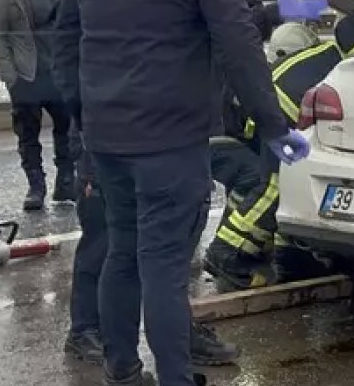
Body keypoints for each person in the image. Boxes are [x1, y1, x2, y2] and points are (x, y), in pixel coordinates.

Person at [54, 0, 307, 386]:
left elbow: (66, 46)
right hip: (169, 141)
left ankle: (121, 381)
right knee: (166, 270)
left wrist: (83, 124)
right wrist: (273, 126)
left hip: (107, 137)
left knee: (122, 254)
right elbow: (239, 47)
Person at [204, 17, 354, 290]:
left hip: (270, 102)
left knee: (285, 184)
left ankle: (289, 255)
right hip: (282, 110)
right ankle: (227, 253)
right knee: (278, 185)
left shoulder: (337, 48)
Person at [64, 135, 239, 369]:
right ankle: (84, 329)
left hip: (161, 152)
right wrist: (88, 167)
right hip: (105, 150)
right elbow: (78, 101)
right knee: (104, 247)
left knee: (166, 263)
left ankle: (179, 336)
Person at [0, 0, 77, 210]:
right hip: (26, 75)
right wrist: (9, 75)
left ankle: (65, 183)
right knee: (28, 135)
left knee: (67, 130)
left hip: (59, 73)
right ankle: (36, 187)